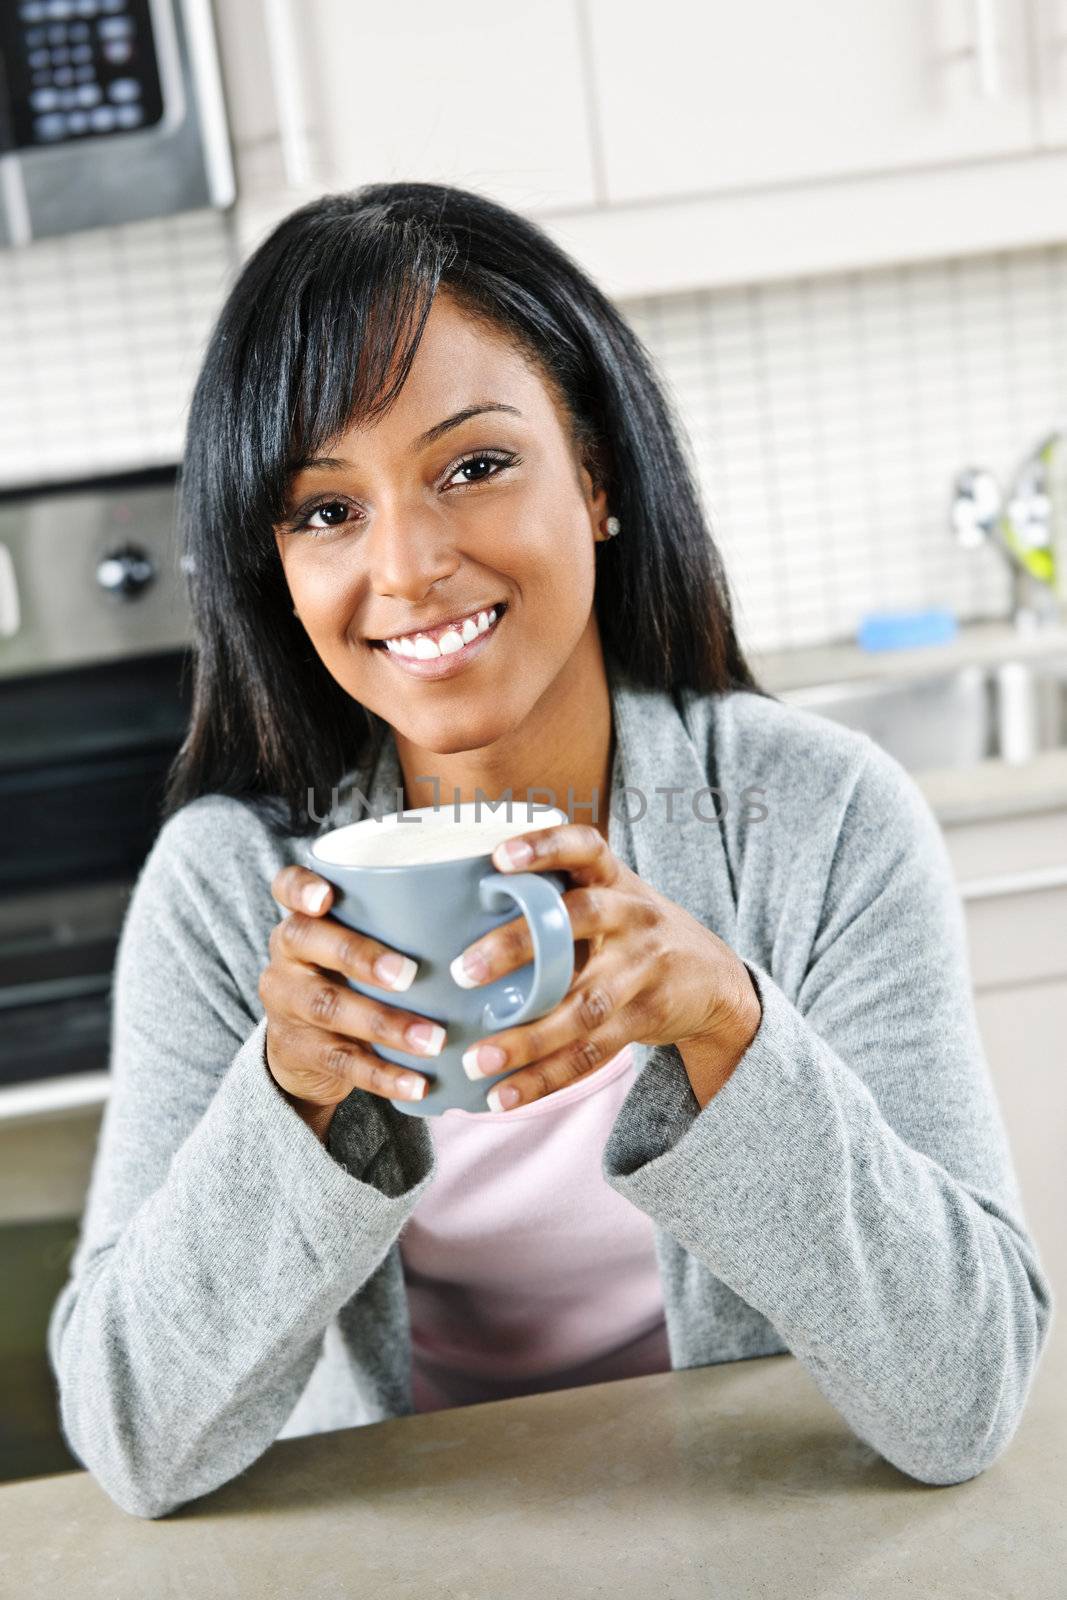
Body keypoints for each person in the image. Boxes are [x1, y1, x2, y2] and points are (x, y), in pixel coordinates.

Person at [46, 182, 1053, 1520]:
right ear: (272, 568)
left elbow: (965, 1395)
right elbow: (133, 1439)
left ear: (595, 477)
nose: (405, 569)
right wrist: (289, 1090)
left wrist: (730, 1029)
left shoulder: (818, 823)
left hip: (759, 1536)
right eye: (325, 510)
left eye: (473, 466)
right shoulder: (231, 893)